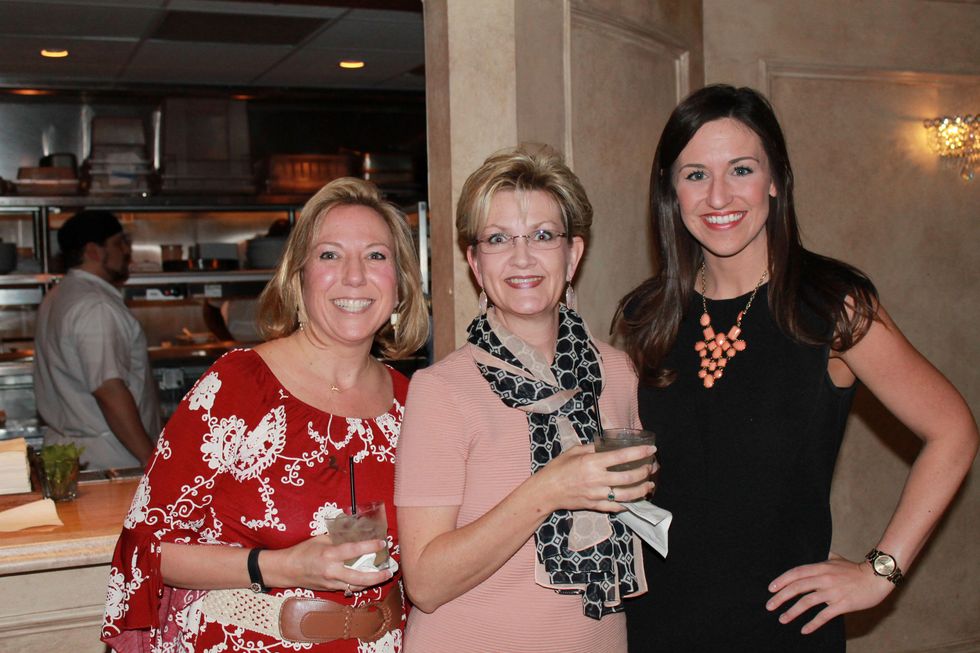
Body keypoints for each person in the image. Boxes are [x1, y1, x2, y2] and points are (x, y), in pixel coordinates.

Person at [615, 84, 979, 651]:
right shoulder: (647, 315)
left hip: (782, 627)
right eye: (695, 174)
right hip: (656, 623)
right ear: (670, 190)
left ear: (775, 180)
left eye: (741, 169)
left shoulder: (830, 306)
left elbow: (953, 430)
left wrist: (880, 572)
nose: (718, 195)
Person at [101, 177, 429, 652]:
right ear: (298, 277)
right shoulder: (237, 386)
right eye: (330, 255)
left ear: (400, 283)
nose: (354, 275)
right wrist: (281, 566)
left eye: (376, 255)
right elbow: (148, 550)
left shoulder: (414, 404)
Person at [395, 145, 656, 652]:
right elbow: (424, 582)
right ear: (475, 262)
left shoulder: (618, 374)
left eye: (542, 235)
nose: (522, 258)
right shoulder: (442, 390)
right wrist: (549, 489)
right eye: (498, 239)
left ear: (572, 254)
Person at [33, 209, 161, 470]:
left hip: (69, 450)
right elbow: (109, 390)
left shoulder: (58, 295)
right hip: (111, 455)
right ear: (93, 251)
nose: (126, 251)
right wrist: (151, 459)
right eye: (119, 243)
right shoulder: (96, 306)